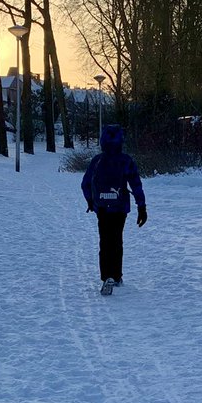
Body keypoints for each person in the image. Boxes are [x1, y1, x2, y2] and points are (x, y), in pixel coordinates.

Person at [81, 124, 147, 294]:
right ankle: (116, 276)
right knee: (117, 240)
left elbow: (85, 184)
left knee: (105, 241)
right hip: (120, 208)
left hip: (102, 208)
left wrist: (91, 202)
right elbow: (136, 184)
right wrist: (142, 207)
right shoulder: (126, 161)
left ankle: (106, 277)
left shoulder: (97, 161)